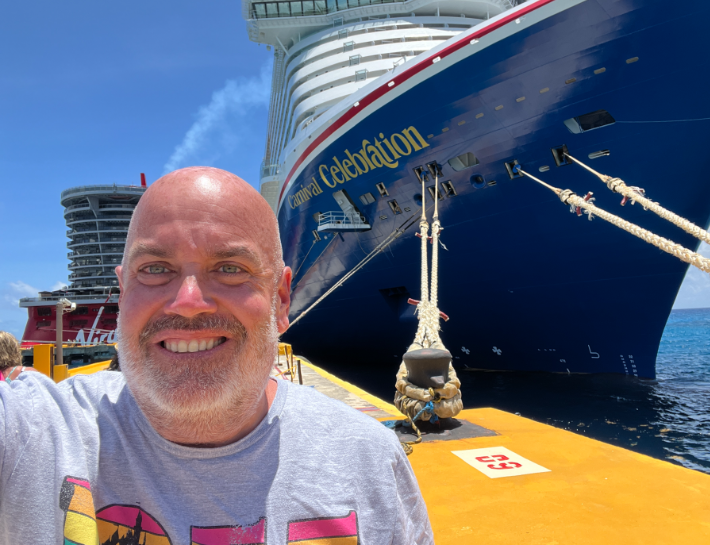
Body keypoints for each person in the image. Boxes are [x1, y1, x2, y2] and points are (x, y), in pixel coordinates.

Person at [0, 167, 433, 544]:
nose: (188, 301)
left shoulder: (369, 460)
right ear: (123, 292)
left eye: (230, 268)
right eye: (154, 269)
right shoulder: (35, 433)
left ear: (281, 299)